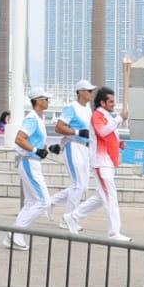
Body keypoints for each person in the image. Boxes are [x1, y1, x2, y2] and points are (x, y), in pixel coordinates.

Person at [66, 86, 130, 242]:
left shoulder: (107, 115)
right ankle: (114, 232)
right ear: (102, 102)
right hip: (101, 162)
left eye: (114, 101)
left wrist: (118, 143)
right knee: (110, 196)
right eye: (111, 101)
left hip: (107, 160)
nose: (113, 104)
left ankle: (73, 216)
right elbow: (102, 132)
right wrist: (120, 118)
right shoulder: (97, 115)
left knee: (102, 197)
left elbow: (107, 136)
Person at [5, 88, 54, 250]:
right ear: (38, 101)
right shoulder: (32, 118)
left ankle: (14, 236)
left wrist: (47, 148)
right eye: (45, 98)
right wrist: (35, 150)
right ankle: (14, 234)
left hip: (32, 163)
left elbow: (35, 142)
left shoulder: (39, 119)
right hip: (28, 162)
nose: (48, 101)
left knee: (31, 202)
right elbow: (19, 139)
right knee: (43, 202)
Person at [54, 79, 96, 214]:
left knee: (82, 187)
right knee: (78, 185)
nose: (91, 93)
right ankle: (69, 218)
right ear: (81, 92)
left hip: (85, 148)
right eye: (89, 91)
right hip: (73, 146)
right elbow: (58, 127)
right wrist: (77, 132)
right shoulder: (71, 107)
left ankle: (51, 202)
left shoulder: (88, 109)